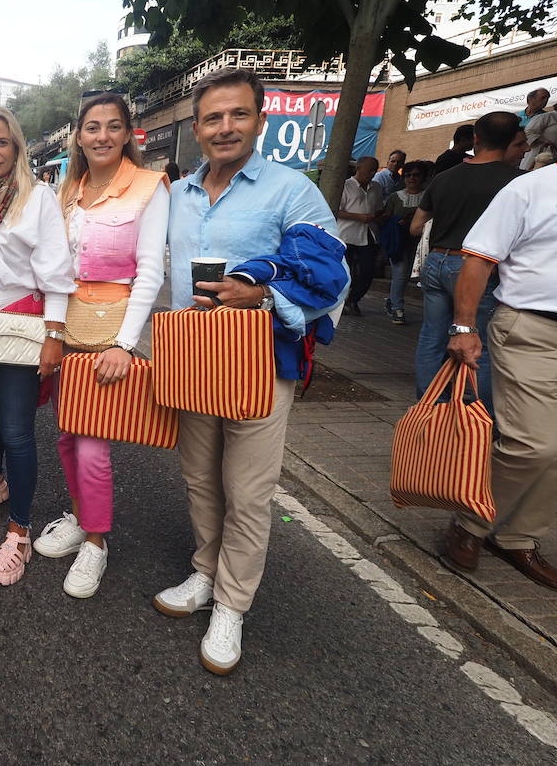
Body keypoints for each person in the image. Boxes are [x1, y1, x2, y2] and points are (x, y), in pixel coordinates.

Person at [158, 67, 345, 675]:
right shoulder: (180, 195)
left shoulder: (292, 191)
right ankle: (204, 572)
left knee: (248, 489)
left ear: (260, 120)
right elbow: (158, 275)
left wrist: (262, 298)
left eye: (238, 114)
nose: (225, 127)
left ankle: (233, 604)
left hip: (261, 362)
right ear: (197, 128)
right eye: (212, 118)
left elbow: (330, 279)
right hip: (193, 357)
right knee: (199, 479)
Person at [440, 97, 557, 593]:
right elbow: (480, 258)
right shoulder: (532, 188)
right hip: (534, 333)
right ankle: (470, 524)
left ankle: (519, 538)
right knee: (534, 445)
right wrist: (464, 327)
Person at [30, 92, 169, 599]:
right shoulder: (69, 190)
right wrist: (50, 329)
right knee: (67, 434)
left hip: (111, 333)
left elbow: (151, 271)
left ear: (129, 133)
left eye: (113, 126)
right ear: (79, 135)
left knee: (92, 444)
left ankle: (96, 541)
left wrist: (127, 345)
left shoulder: (151, 188)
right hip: (66, 328)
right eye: (92, 127)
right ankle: (80, 514)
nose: (103, 136)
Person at [0, 106, 74, 586]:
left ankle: (19, 531)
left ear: (17, 148)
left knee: (18, 431)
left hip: (23, 328)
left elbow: (57, 271)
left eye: (1, 142)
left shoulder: (36, 198)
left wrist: (55, 336)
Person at [409, 111, 527, 409]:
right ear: (514, 140)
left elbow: (415, 227)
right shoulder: (519, 182)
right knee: (481, 345)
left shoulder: (445, 177)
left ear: (475, 138)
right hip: (477, 267)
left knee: (432, 337)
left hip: (436, 261)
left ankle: (430, 405)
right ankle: (475, 414)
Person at [380, 160, 431, 324]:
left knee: (414, 275)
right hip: (399, 242)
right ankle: (397, 308)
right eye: (408, 175)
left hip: (422, 244)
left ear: (423, 176)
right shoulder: (395, 197)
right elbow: (386, 217)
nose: (411, 178)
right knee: (400, 274)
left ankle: (393, 301)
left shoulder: (429, 196)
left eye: (416, 175)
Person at [336, 156, 384, 316]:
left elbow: (378, 208)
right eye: (369, 170)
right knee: (345, 270)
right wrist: (358, 217)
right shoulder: (345, 186)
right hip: (346, 234)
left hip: (368, 233)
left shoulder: (376, 187)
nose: (371, 173)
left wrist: (379, 216)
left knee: (368, 270)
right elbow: (336, 210)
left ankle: (354, 299)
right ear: (359, 168)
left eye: (374, 170)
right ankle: (340, 301)